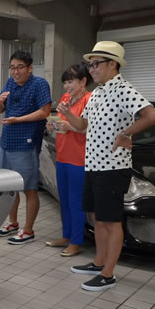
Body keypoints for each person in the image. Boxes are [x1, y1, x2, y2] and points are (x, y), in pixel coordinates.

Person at [59, 41, 155, 291]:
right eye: (90, 65)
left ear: (112, 64)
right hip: (92, 166)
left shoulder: (123, 89)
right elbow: (83, 126)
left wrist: (126, 133)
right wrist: (68, 113)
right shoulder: (97, 92)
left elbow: (152, 116)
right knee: (97, 218)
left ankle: (108, 274)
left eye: (96, 64)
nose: (91, 69)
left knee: (111, 221)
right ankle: (98, 263)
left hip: (112, 167)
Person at [0, 50, 52, 244]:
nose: (15, 71)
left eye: (20, 67)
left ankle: (28, 230)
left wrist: (18, 119)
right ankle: (13, 222)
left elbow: (44, 112)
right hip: (6, 142)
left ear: (30, 68)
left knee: (29, 188)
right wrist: (0, 102)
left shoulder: (39, 84)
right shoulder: (10, 83)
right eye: (12, 67)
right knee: (9, 187)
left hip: (26, 143)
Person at [44, 63, 93, 257]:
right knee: (63, 199)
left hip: (79, 159)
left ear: (83, 81)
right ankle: (66, 236)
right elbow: (61, 123)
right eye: (65, 82)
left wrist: (69, 126)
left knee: (75, 202)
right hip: (62, 155)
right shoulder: (66, 98)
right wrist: (53, 125)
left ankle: (76, 241)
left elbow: (90, 129)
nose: (67, 86)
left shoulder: (90, 99)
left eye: (70, 82)